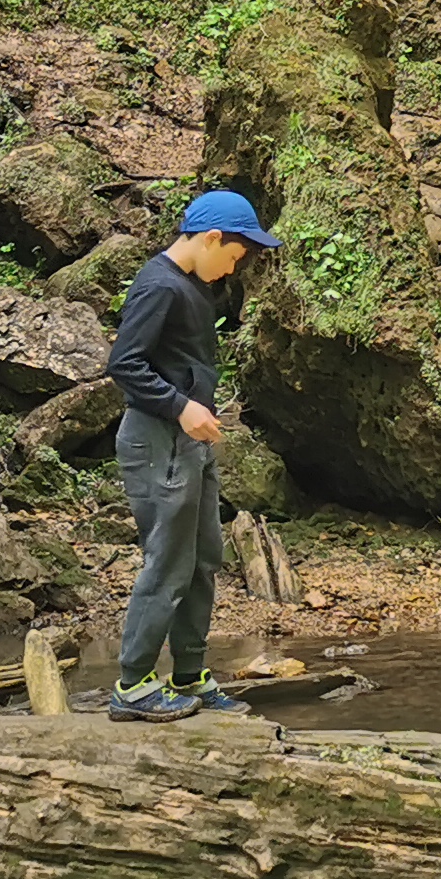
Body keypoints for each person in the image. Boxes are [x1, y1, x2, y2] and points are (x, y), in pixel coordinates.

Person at [104, 186, 277, 722]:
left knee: (204, 558)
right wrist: (180, 406)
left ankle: (189, 675)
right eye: (235, 254)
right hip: (156, 439)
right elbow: (124, 363)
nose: (235, 268)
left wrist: (195, 411)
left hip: (190, 442)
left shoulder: (198, 286)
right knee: (169, 562)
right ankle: (132, 686)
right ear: (210, 238)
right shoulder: (158, 287)